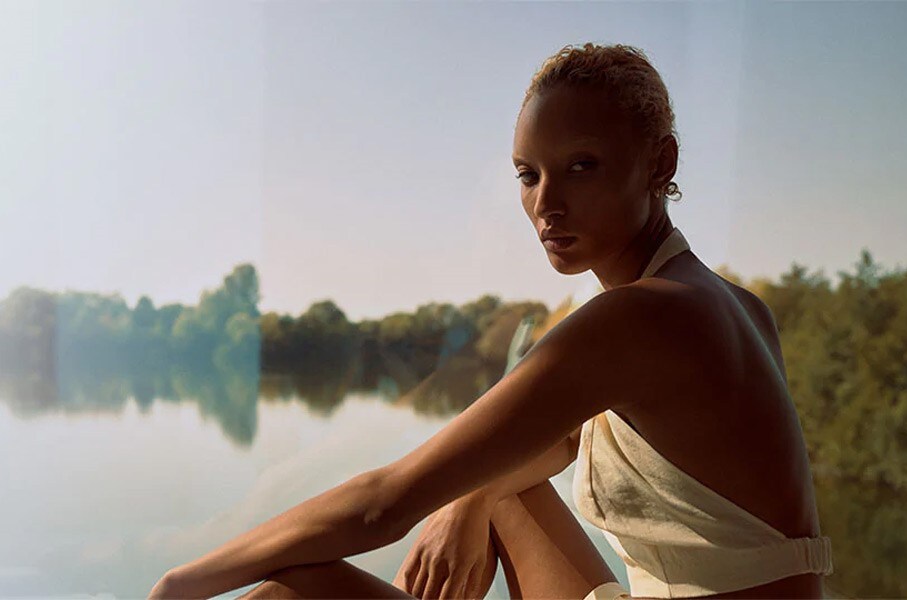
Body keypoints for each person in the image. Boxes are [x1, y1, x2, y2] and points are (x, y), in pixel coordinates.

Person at [148, 42, 833, 600]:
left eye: (581, 167)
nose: (547, 204)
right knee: (492, 481)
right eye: (527, 174)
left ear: (660, 163)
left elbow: (382, 504)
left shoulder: (641, 317)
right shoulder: (736, 306)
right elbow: (553, 441)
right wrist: (470, 504)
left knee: (287, 594)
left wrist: (181, 583)